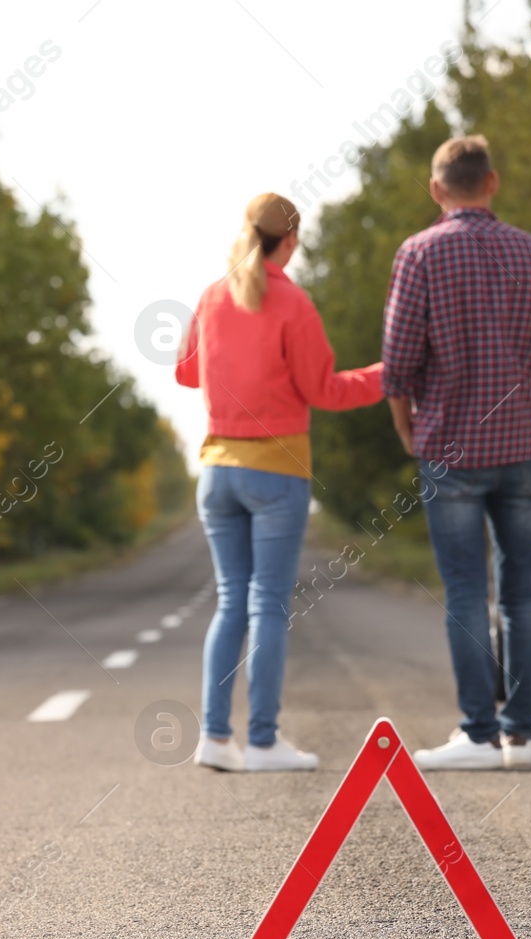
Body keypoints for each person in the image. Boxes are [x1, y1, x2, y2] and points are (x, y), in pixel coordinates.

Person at [381, 135, 531, 770]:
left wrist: (407, 426)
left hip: (450, 448)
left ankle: (476, 733)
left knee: (466, 591)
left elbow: (398, 364)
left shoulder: (419, 254)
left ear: (438, 189)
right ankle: (521, 736)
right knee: (522, 594)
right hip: (520, 449)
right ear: (491, 182)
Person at [176, 193, 383, 772]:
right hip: (276, 472)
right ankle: (263, 741)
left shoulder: (212, 295)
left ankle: (215, 738)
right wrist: (387, 375)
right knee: (267, 603)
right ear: (288, 242)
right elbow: (326, 392)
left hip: (216, 471)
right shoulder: (293, 302)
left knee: (230, 602)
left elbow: (184, 371)